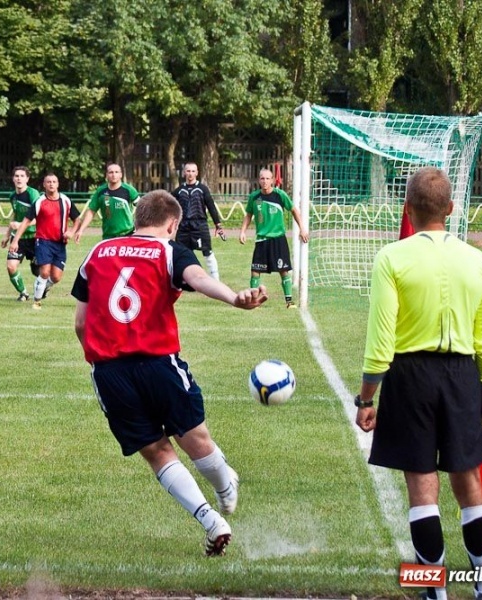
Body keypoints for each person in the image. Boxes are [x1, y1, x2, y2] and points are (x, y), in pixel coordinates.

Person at [72, 190, 267, 556]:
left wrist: (98, 361)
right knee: (194, 437)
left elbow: (81, 322)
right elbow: (196, 277)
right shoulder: (169, 250)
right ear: (173, 223)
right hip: (160, 363)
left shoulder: (97, 252)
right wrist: (233, 298)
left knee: (156, 451)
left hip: (110, 371)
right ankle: (225, 486)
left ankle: (212, 521)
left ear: (136, 218)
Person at [354, 167, 482, 600]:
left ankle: (433, 590)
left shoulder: (392, 258)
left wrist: (365, 397)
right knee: (469, 481)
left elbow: (381, 341)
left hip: (409, 377)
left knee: (422, 486)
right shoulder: (480, 262)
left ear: (408, 211)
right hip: (463, 377)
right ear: (451, 209)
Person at [238, 168, 309, 308]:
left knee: (284, 270)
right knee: (255, 270)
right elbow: (248, 215)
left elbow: (294, 210)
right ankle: (253, 301)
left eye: (267, 178)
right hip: (262, 239)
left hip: (278, 239)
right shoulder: (254, 197)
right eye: (262, 178)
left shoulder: (280, 195)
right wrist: (242, 231)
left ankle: (289, 301)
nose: (265, 181)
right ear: (259, 180)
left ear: (272, 180)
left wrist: (302, 228)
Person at [8, 172, 80, 310]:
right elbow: (25, 221)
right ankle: (37, 301)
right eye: (48, 182)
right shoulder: (40, 201)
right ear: (44, 185)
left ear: (58, 184)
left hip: (60, 243)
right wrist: (15, 240)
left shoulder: (66, 200)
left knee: (56, 277)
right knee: (45, 272)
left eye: (54, 181)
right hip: (43, 241)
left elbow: (77, 219)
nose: (51, 184)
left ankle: (44, 287)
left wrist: (71, 232)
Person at [172, 161, 226, 280]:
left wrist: (218, 224)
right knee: (181, 254)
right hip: (184, 226)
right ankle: (181, 280)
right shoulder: (179, 191)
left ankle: (215, 280)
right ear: (184, 173)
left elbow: (211, 206)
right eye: (188, 171)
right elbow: (170, 206)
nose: (190, 174)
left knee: (207, 252)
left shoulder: (202, 189)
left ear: (197, 173)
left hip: (200, 225)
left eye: (193, 171)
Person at [0, 166, 40, 301]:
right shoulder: (12, 196)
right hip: (18, 238)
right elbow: (15, 216)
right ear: (13, 178)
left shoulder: (33, 194)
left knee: (39, 271)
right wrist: (7, 235)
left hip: (34, 238)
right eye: (16, 176)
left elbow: (39, 218)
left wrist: (22, 225)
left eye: (22, 176)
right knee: (11, 266)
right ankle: (23, 293)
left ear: (27, 179)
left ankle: (40, 285)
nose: (19, 178)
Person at [72, 163, 139, 242]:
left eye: (116, 172)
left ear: (121, 174)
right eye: (111, 172)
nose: (114, 175)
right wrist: (81, 230)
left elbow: (142, 208)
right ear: (107, 175)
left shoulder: (129, 190)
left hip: (128, 234)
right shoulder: (100, 191)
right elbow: (91, 211)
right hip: (108, 236)